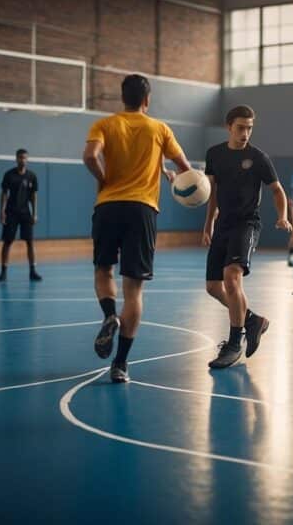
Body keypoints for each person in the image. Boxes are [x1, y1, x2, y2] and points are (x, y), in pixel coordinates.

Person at [83, 74, 192, 383]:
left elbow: (90, 156)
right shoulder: (159, 129)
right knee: (134, 289)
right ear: (148, 99)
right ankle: (120, 364)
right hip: (142, 210)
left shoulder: (105, 125)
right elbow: (186, 168)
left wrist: (103, 178)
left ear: (123, 98)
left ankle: (108, 316)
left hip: (108, 206)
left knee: (103, 270)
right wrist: (176, 177)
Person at [203, 105, 291, 369]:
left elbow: (277, 190)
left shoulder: (259, 157)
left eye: (250, 128)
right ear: (229, 126)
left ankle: (233, 343)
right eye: (241, 127)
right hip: (222, 225)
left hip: (246, 224)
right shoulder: (214, 154)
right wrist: (208, 224)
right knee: (213, 287)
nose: (245, 133)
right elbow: (213, 194)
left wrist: (283, 216)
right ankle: (252, 320)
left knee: (232, 277)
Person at [0, 149, 42, 282]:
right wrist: (2, 211)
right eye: (20, 158)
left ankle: (32, 271)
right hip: (11, 213)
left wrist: (34, 213)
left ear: (27, 160)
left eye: (24, 158)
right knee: (7, 242)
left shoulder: (32, 176)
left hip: (25, 213)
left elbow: (34, 196)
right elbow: (4, 194)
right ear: (16, 159)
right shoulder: (9, 175)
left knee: (30, 242)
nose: (22, 160)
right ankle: (3, 272)